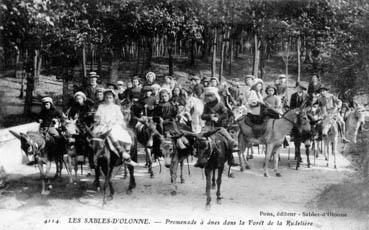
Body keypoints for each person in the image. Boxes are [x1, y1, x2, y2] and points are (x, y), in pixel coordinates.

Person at [195, 87, 239, 167]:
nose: (209, 97)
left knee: (227, 140)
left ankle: (231, 158)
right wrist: (209, 116)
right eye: (207, 96)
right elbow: (202, 116)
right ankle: (200, 158)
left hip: (219, 126)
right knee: (200, 139)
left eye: (211, 95)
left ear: (215, 95)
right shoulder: (206, 106)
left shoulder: (220, 104)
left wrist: (218, 117)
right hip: (208, 126)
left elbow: (225, 114)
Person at [93, 89, 137, 166]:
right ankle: (93, 156)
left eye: (110, 97)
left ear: (113, 98)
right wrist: (97, 118)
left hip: (114, 125)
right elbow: (97, 117)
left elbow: (120, 118)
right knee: (93, 136)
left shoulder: (116, 107)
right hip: (103, 125)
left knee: (116, 133)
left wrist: (114, 122)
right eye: (106, 97)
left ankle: (124, 153)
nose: (108, 99)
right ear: (104, 98)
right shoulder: (101, 106)